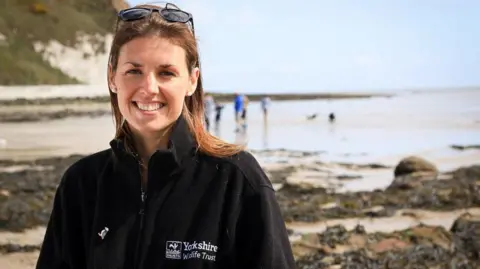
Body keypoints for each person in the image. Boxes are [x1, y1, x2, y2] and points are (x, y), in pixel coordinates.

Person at [35, 3, 295, 269]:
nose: (149, 88)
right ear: (113, 77)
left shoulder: (236, 179)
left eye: (166, 73)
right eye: (134, 71)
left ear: (192, 81)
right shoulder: (81, 184)